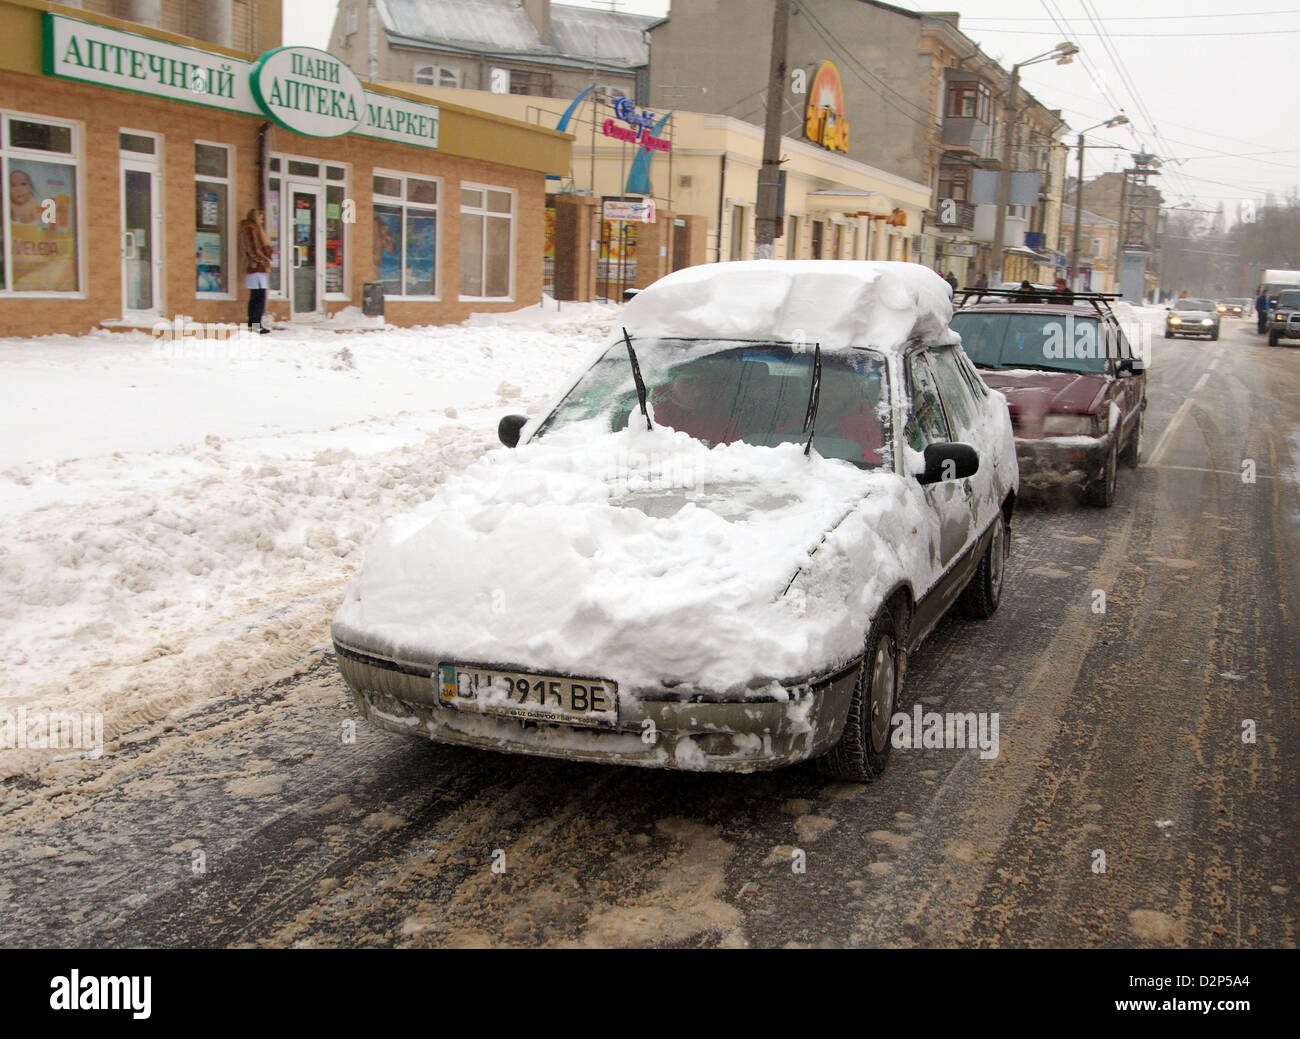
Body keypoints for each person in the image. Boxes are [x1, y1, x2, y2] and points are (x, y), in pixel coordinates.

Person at [239, 208, 273, 334]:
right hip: (256, 267)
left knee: (259, 297)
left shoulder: (256, 229)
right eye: (260, 217)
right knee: (257, 297)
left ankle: (255, 323)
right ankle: (254, 324)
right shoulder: (250, 229)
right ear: (255, 217)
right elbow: (252, 249)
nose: (262, 220)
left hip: (259, 267)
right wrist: (263, 260)